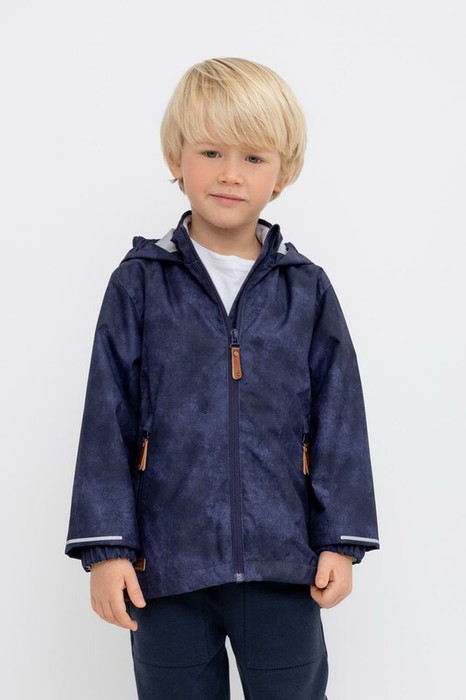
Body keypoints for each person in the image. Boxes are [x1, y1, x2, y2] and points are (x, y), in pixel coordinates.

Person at [65, 57, 380, 699]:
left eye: (253, 157)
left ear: (282, 173)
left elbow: (340, 417)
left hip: (282, 562)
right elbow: (107, 416)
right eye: (211, 152)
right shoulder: (139, 283)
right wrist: (108, 549)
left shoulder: (305, 289)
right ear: (176, 158)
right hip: (166, 566)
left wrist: (340, 541)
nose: (230, 173)